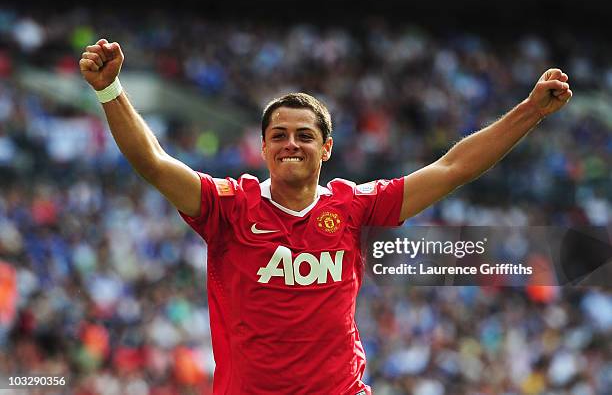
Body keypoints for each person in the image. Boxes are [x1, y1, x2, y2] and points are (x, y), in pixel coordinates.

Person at [79, 38, 572, 395]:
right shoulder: (229, 207)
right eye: (278, 135)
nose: (290, 143)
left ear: (327, 148)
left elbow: (452, 168)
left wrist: (530, 110)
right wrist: (110, 91)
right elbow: (154, 163)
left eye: (304, 135)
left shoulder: (355, 207)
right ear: (263, 147)